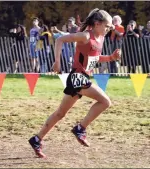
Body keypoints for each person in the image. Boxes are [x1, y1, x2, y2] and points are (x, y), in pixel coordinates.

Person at [28, 8, 121, 158]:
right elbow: (60, 40)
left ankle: (36, 139)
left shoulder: (100, 38)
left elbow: (94, 58)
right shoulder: (85, 35)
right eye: (108, 26)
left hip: (82, 78)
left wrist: (110, 57)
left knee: (60, 113)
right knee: (105, 102)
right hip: (77, 77)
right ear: (97, 24)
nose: (110, 29)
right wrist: (57, 62)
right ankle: (80, 128)